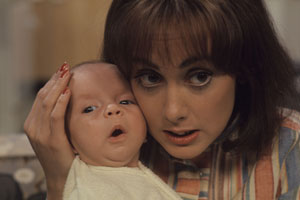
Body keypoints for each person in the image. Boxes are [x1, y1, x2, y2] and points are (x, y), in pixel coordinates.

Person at [24, 0, 300, 199]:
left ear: (244, 67)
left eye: (200, 76)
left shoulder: (290, 145)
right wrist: (60, 180)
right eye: (150, 78)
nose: (173, 111)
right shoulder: (103, 150)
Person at [62, 61, 182, 200]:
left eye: (125, 102)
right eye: (90, 108)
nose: (112, 108)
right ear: (68, 141)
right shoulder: (83, 187)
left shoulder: (147, 179)